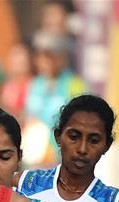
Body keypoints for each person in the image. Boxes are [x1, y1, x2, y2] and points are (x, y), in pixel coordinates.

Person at [23, 31, 86, 165]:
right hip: (35, 159)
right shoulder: (34, 85)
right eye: (41, 55)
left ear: (61, 57)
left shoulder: (74, 85)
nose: (45, 61)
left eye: (50, 55)